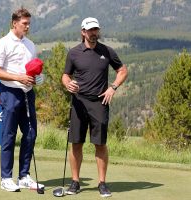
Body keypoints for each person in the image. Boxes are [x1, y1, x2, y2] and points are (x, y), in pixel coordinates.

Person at [62, 17, 128, 198]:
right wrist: (68, 84)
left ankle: (102, 183)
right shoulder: (74, 53)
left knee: (100, 143)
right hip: (78, 102)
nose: (94, 33)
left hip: (100, 103)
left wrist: (113, 87)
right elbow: (65, 75)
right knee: (76, 143)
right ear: (83, 32)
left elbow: (122, 70)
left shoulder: (107, 51)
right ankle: (75, 182)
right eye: (90, 30)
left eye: (96, 30)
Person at [0, 7, 44, 192]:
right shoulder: (3, 43)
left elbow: (32, 70)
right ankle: (6, 177)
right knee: (9, 135)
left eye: (29, 23)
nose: (27, 27)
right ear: (14, 23)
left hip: (28, 93)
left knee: (30, 134)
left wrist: (37, 79)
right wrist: (18, 78)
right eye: (24, 23)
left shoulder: (30, 45)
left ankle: (24, 176)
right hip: (10, 93)